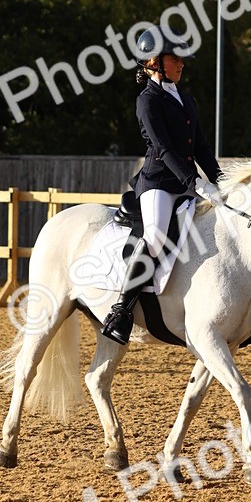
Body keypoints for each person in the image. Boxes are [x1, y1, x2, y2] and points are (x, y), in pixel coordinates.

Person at [101, 25, 223, 344]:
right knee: (155, 237)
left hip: (186, 183)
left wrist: (221, 181)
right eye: (175, 58)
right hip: (159, 183)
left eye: (181, 59)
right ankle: (121, 310)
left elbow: (201, 147)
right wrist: (195, 182)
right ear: (154, 62)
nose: (181, 64)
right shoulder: (148, 100)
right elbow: (164, 148)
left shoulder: (186, 99)